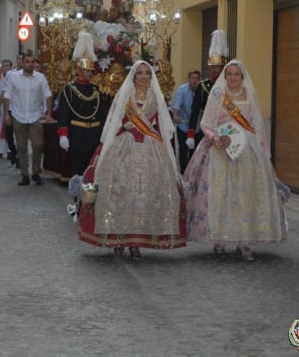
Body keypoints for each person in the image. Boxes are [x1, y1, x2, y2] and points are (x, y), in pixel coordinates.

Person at [78, 60, 186, 261]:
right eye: (140, 73)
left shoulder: (156, 96)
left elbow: (162, 126)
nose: (144, 77)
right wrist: (123, 128)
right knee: (119, 192)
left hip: (151, 148)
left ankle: (136, 243)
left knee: (146, 193)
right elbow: (113, 122)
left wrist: (167, 153)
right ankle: (117, 237)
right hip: (123, 147)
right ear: (134, 76)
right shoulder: (124, 95)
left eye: (147, 73)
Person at [183, 60, 289, 261]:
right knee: (220, 193)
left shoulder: (249, 95)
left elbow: (257, 124)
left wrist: (264, 154)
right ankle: (220, 239)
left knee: (245, 195)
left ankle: (244, 241)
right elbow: (206, 122)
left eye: (236, 74)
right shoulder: (217, 94)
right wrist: (214, 137)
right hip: (220, 149)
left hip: (247, 151)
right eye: (229, 74)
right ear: (225, 76)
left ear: (242, 76)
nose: (232, 78)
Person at [56, 32, 111, 180]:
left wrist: (104, 133)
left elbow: (101, 114)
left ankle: (88, 202)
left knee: (92, 172)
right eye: (87, 70)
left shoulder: (96, 89)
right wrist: (63, 135)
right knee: (77, 172)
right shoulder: (69, 90)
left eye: (91, 71)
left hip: (94, 135)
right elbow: (63, 114)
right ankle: (77, 200)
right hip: (77, 135)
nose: (89, 73)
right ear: (79, 70)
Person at [3, 53, 53, 186]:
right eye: (27, 61)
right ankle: (25, 175)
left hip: (35, 116)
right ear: (22, 63)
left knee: (37, 145)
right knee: (21, 146)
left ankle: (36, 173)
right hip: (18, 116)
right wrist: (6, 114)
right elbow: (7, 96)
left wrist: (48, 114)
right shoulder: (13, 77)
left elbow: (48, 95)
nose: (30, 64)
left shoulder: (40, 78)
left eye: (32, 62)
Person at [186, 30, 228, 150]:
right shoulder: (202, 86)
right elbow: (194, 112)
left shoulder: (229, 85)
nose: (214, 69)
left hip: (226, 128)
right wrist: (191, 134)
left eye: (217, 66)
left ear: (223, 67)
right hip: (207, 129)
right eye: (212, 66)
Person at [172, 70, 201, 173]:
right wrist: (175, 116)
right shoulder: (182, 89)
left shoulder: (201, 89)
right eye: (192, 78)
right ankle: (183, 173)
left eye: (197, 78)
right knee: (183, 149)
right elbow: (177, 104)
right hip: (183, 124)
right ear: (188, 79)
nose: (194, 80)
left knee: (195, 150)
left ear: (199, 80)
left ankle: (193, 173)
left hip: (196, 125)